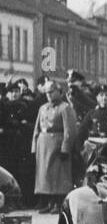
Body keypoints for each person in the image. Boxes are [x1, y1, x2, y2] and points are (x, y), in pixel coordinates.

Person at [31, 80, 78, 212]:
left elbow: (69, 130)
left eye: (52, 92)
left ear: (59, 92)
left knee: (58, 175)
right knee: (45, 176)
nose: (49, 95)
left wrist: (65, 148)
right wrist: (34, 146)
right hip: (43, 145)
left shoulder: (64, 108)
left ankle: (58, 203)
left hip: (57, 144)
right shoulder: (43, 108)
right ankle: (49, 202)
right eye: (47, 93)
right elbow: (37, 128)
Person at [77, 83, 107, 168]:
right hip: (95, 151)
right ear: (97, 97)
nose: (104, 98)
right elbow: (81, 132)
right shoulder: (91, 114)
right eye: (101, 95)